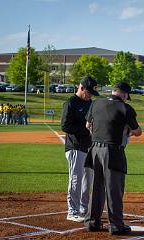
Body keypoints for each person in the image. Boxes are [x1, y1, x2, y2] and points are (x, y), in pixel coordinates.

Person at [84, 82, 142, 235]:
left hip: (94, 149)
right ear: (124, 94)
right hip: (112, 151)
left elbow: (87, 125)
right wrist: (126, 130)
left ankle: (92, 222)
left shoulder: (96, 103)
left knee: (96, 187)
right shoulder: (125, 108)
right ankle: (116, 225)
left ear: (113, 91)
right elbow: (137, 131)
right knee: (114, 188)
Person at [61, 76, 99, 222]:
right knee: (76, 179)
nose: (90, 95)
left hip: (88, 146)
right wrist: (85, 130)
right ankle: (72, 211)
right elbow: (65, 125)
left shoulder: (90, 102)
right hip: (75, 147)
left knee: (87, 180)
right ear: (81, 87)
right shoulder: (71, 103)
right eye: (88, 92)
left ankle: (83, 208)